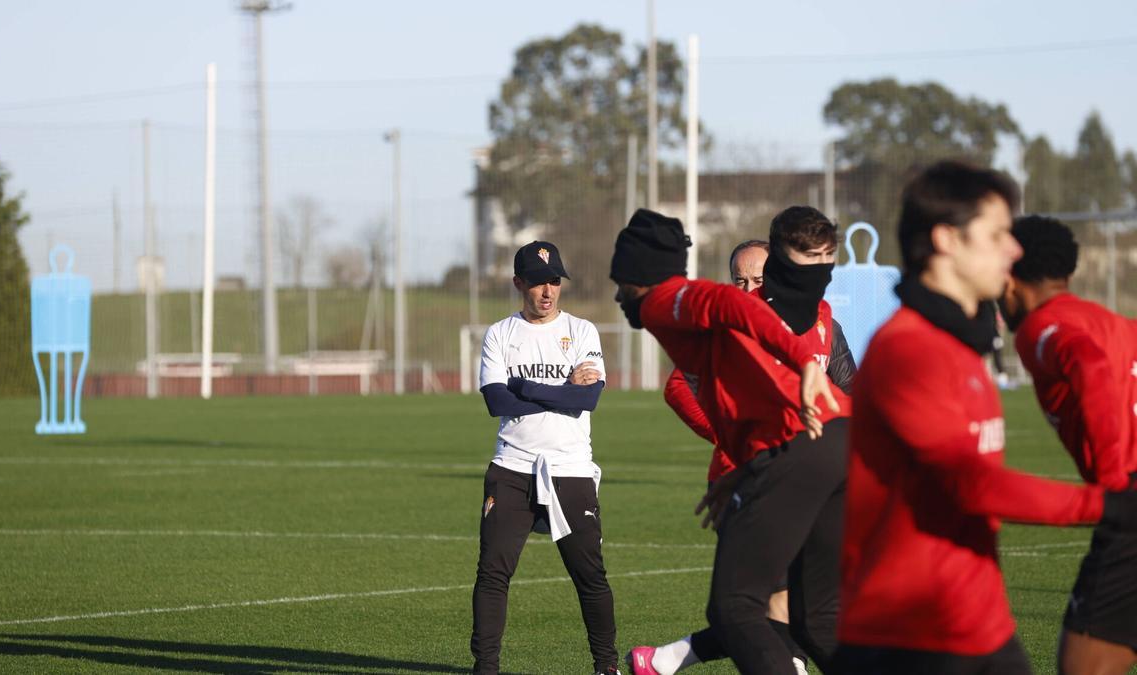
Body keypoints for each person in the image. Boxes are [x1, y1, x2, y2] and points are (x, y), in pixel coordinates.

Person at [835, 160, 1137, 674]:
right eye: (998, 234)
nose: (1014, 249)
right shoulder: (910, 350)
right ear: (947, 240)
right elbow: (971, 485)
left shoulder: (963, 345)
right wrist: (1111, 501)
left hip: (979, 625)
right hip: (909, 638)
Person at [611, 208, 846, 675]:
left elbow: (731, 304)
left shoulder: (666, 301)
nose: (618, 295)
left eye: (621, 280)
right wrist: (740, 469)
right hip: (837, 443)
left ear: (640, 275)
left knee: (735, 609)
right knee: (815, 621)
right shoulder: (686, 320)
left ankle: (664, 662)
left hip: (800, 449)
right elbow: (735, 401)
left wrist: (804, 360)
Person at [470, 241, 618, 675]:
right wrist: (560, 394)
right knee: (493, 573)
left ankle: (606, 667)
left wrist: (525, 387)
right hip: (512, 468)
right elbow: (497, 402)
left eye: (554, 280)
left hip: (570, 469)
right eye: (537, 282)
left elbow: (588, 397)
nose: (547, 290)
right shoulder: (500, 333)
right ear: (519, 283)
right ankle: (486, 668)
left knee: (590, 577)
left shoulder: (583, 330)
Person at [998, 214, 1137, 675]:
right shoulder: (1115, 322)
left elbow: (1090, 365)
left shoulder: (1041, 327)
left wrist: (1114, 481)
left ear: (1010, 278)